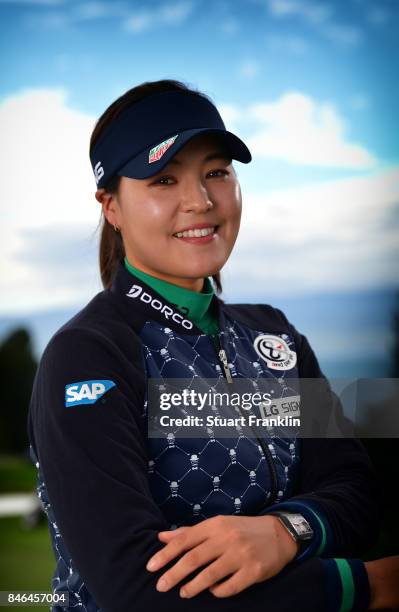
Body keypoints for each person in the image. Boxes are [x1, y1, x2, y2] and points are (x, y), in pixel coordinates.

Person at [27, 79, 396, 611]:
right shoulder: (89, 353)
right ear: (111, 206)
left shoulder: (277, 338)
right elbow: (138, 590)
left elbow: (358, 498)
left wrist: (284, 531)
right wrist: (368, 587)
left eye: (216, 173)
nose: (199, 201)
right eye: (163, 180)